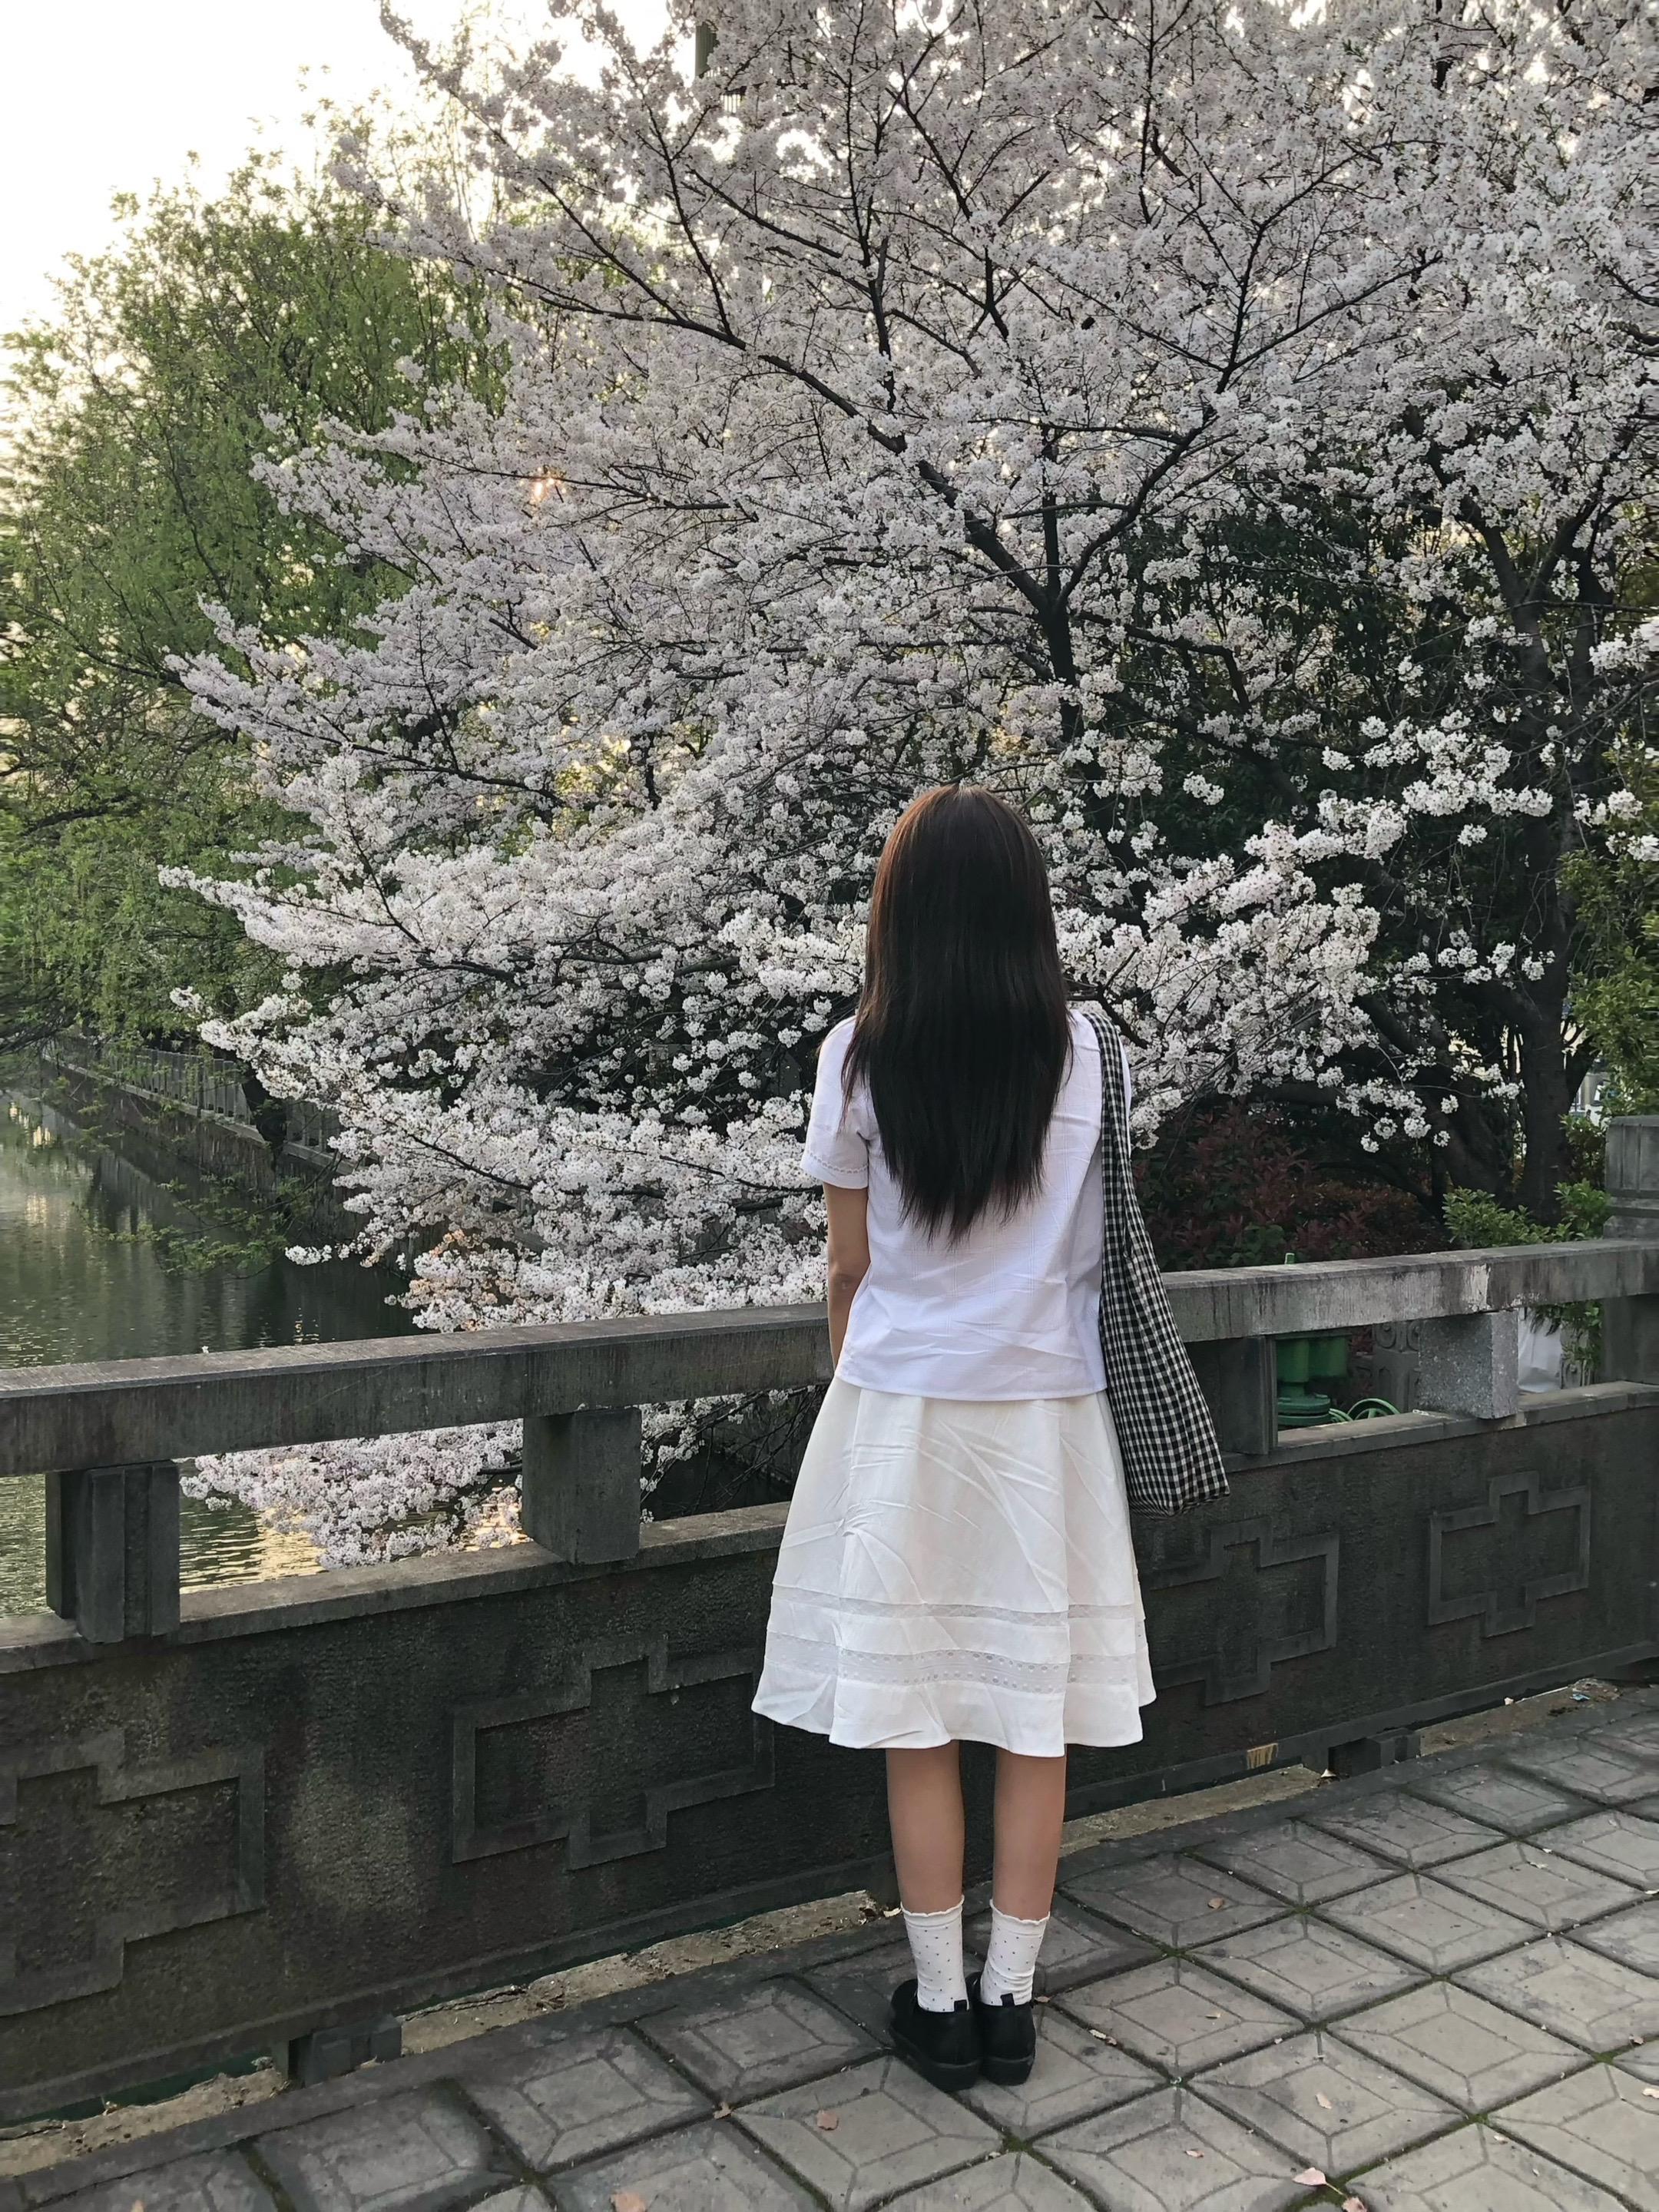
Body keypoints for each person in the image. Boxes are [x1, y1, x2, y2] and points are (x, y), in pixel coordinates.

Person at [753, 784, 1170, 2094]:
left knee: (919, 1714)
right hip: (1046, 1419)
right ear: (1025, 911)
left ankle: (938, 2002)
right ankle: (1011, 2001)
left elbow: (848, 1269)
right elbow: (1092, 1254)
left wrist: (865, 1376)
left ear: (902, 913)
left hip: (904, 1415)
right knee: (1034, 1715)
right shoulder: (1088, 1053)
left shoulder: (857, 1057)